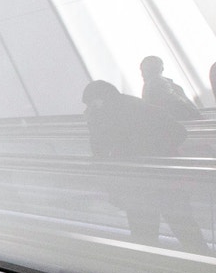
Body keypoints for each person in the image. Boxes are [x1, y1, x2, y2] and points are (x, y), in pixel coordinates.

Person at [81, 80, 208, 253]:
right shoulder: (140, 105)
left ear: (99, 100)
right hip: (167, 180)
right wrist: (159, 154)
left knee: (144, 236)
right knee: (185, 228)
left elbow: (100, 152)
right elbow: (179, 132)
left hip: (138, 186)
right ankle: (205, 265)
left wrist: (94, 125)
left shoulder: (106, 117)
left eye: (91, 104)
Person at [139, 56, 199, 120]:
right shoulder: (173, 86)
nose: (142, 74)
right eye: (142, 70)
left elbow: (182, 104)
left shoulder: (157, 84)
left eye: (146, 70)